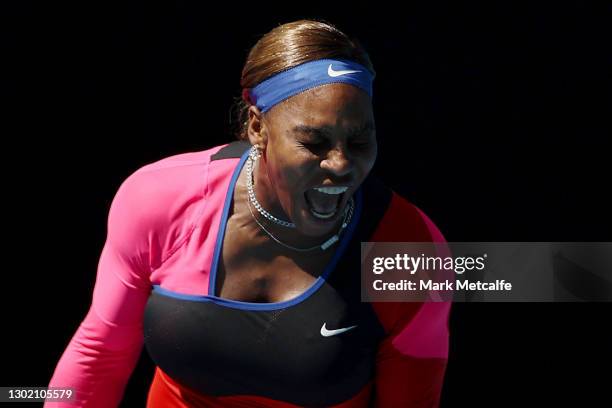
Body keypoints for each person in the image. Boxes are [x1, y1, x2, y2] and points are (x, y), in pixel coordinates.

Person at [46, 19, 451, 407]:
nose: (341, 164)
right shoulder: (158, 199)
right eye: (314, 142)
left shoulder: (413, 254)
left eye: (360, 141)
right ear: (257, 127)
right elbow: (100, 355)